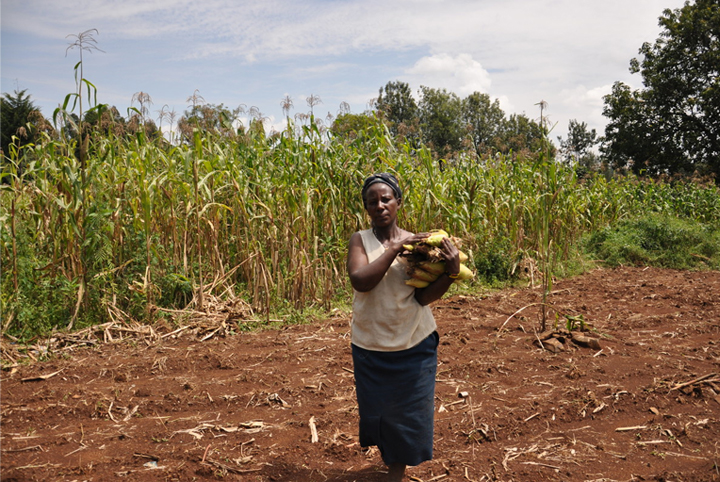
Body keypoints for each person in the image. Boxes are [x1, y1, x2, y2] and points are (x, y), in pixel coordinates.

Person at [347, 173, 461, 482]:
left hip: (414, 343)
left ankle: (395, 474)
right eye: (373, 202)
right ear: (366, 208)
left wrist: (449, 274)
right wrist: (394, 249)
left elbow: (422, 297)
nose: (380, 205)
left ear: (398, 202)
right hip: (371, 347)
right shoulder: (361, 240)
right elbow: (361, 281)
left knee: (407, 417)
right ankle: (390, 461)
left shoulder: (419, 243)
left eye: (386, 199)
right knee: (381, 417)